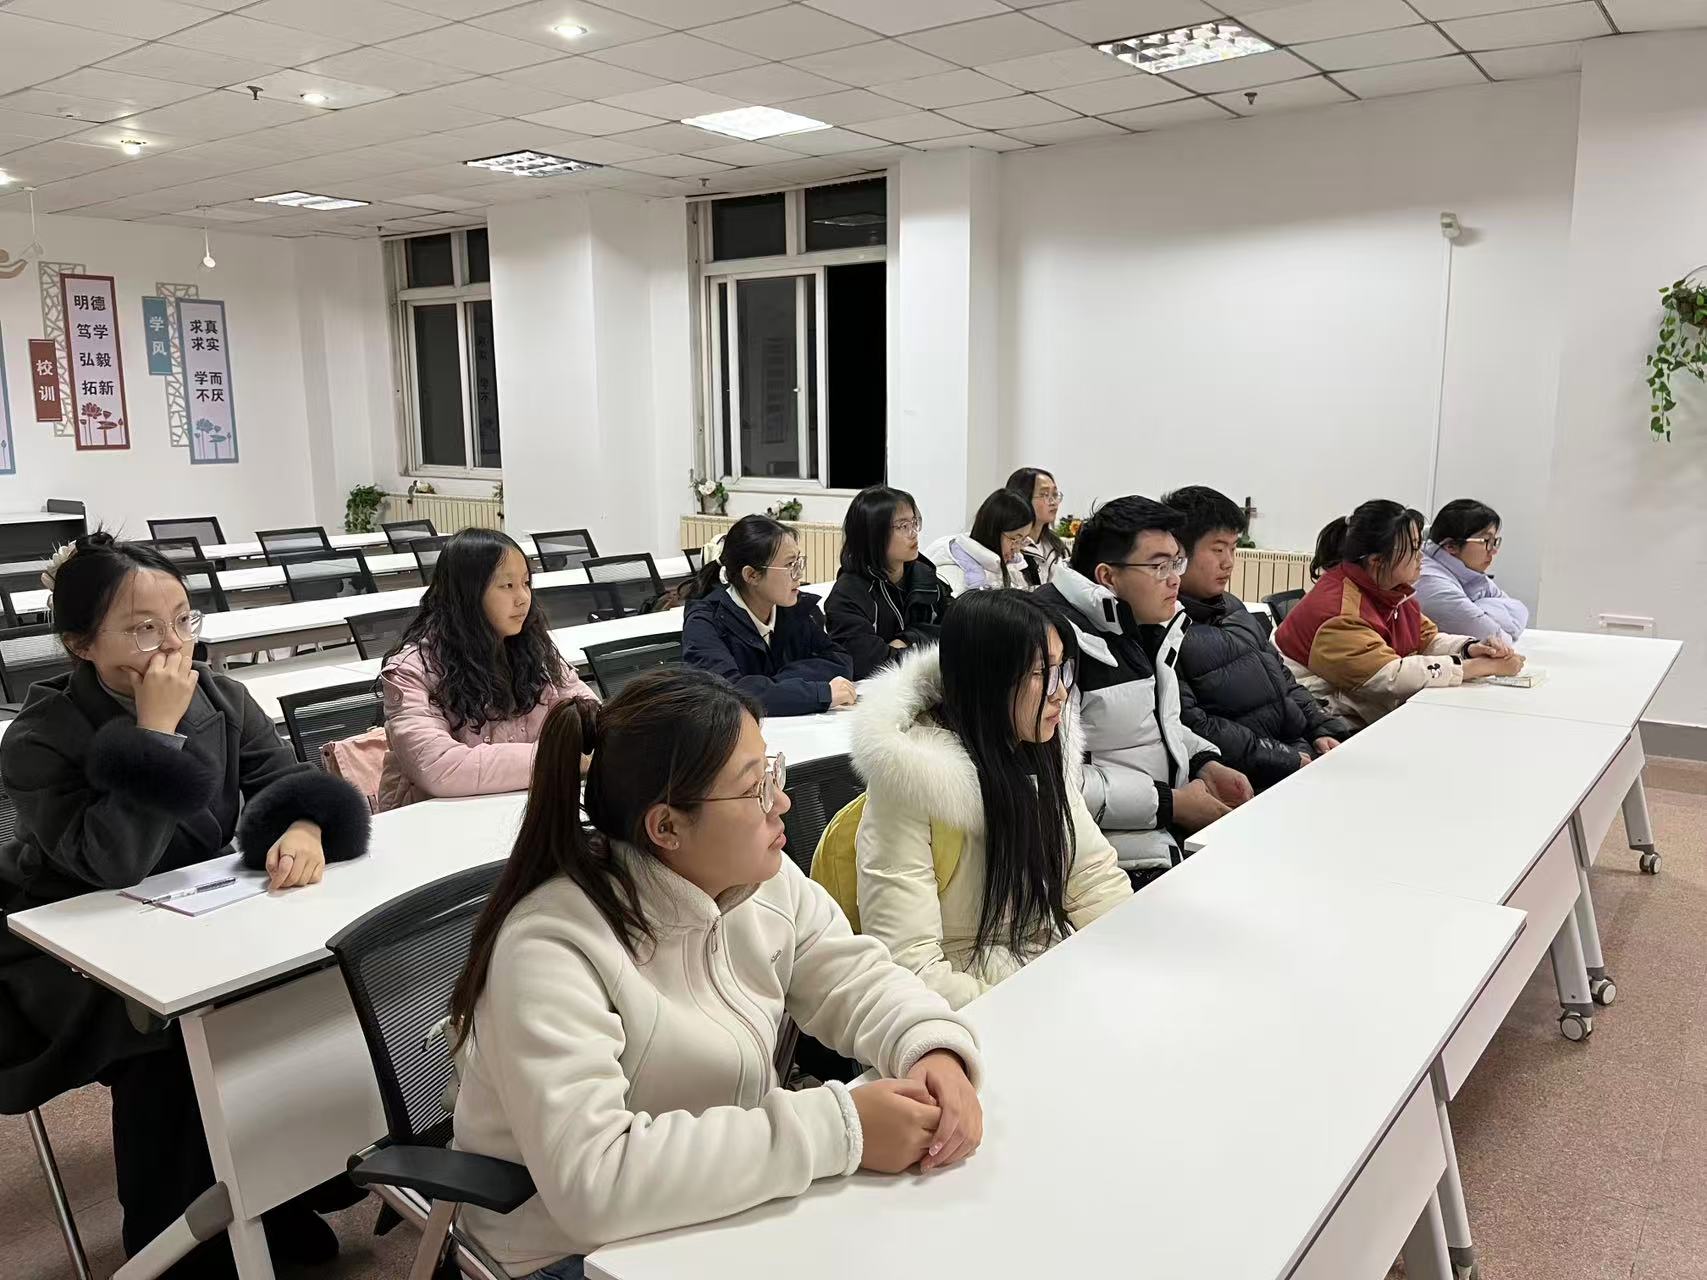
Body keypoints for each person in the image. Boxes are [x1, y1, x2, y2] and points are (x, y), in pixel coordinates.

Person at [449, 669, 984, 1279]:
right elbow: (593, 1183)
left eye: (772, 772)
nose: (781, 802)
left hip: (718, 1206)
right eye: (755, 788)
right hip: (567, 1252)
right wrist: (841, 1127)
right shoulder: (551, 947)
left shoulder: (761, 879)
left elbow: (855, 978)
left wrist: (931, 1047)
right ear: (667, 827)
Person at [0, 534, 372, 1278]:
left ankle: (276, 1203)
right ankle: (180, 1250)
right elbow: (110, 864)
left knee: (306, 990)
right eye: (143, 628)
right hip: (68, 953)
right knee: (176, 1040)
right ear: (80, 643)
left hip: (193, 918)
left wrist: (303, 822)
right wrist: (156, 734)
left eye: (182, 619)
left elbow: (286, 779)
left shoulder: (221, 697)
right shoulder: (41, 736)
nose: (173, 644)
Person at [837, 591, 1131, 1009]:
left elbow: (1093, 882)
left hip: (1051, 973)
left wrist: (1128, 958)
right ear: (989, 680)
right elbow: (911, 967)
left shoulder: (1043, 750)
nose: (1061, 693)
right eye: (1040, 673)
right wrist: (1031, 1007)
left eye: (1062, 669)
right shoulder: (912, 784)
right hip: (970, 1003)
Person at [1035, 497, 1254, 882]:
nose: (1175, 579)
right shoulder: (1054, 642)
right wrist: (1171, 804)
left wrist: (1204, 762)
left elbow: (1153, 725)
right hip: (1101, 859)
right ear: (1108, 576)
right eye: (1159, 566)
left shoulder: (1138, 623)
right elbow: (1052, 782)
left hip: (1156, 833)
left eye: (1177, 562)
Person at [378, 528, 598, 811]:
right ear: (467, 593)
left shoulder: (534, 650)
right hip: (435, 818)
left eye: (526, 583)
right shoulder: (412, 670)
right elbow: (439, 766)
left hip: (521, 806)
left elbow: (591, 716)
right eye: (507, 586)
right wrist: (561, 760)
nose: (523, 598)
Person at [1162, 486, 1357, 792]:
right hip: (1251, 778)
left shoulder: (1232, 606)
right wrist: (1286, 758)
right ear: (1178, 554)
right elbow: (1196, 725)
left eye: (1233, 548)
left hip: (1298, 756)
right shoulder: (1165, 627)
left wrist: (1321, 727)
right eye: (1217, 549)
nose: (1228, 562)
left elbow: (1284, 679)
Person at [1275, 500, 1525, 726]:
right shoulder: (1339, 612)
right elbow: (1389, 675)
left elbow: (1426, 639)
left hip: (1360, 708)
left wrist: (1470, 648)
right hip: (1323, 721)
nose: (1421, 557)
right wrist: (1477, 667)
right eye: (1413, 549)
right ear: (1377, 560)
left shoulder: (1392, 591)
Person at [681, 514, 855, 716]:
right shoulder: (705, 622)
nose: (799, 574)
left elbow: (840, 661)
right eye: (789, 565)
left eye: (799, 562)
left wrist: (771, 687)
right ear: (752, 575)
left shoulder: (795, 607)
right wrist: (818, 693)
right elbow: (730, 695)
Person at [825, 486, 952, 680]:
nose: (913, 533)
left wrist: (908, 638)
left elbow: (957, 627)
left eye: (914, 522)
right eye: (903, 526)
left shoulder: (924, 576)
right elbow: (868, 665)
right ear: (873, 534)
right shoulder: (847, 595)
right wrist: (928, 645)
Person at [1415, 498, 1531, 645]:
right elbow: (1497, 640)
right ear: (1451, 545)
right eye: (1486, 541)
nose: (1493, 551)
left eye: (1495, 542)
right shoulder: (1431, 583)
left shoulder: (1467, 571)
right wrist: (1482, 609)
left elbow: (1520, 610)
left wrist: (1480, 609)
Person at [923, 489, 1037, 593]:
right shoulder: (953, 576)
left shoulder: (1012, 567)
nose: (1017, 549)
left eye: (1023, 539)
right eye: (1015, 539)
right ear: (992, 531)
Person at [1007, 466, 1070, 587]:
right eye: (1045, 494)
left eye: (1055, 494)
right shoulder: (1011, 548)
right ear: (1022, 498)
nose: (1053, 502)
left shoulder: (1056, 545)